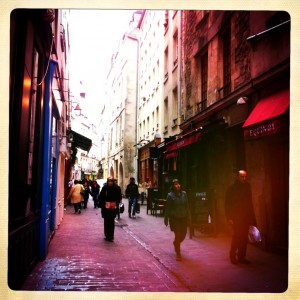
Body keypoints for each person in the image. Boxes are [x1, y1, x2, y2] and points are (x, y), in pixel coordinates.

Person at [225, 170, 256, 264]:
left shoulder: (247, 186)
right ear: (238, 177)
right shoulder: (231, 189)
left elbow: (250, 202)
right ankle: (233, 256)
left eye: (245, 176)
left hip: (245, 215)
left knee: (244, 237)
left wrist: (252, 216)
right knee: (237, 236)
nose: (244, 178)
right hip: (236, 216)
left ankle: (241, 256)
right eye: (242, 176)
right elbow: (227, 204)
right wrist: (229, 217)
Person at [164, 179, 190, 261]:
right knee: (178, 234)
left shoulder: (184, 194)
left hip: (183, 217)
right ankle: (178, 254)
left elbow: (187, 206)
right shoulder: (170, 195)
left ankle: (176, 243)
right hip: (174, 218)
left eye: (178, 184)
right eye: (175, 184)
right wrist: (166, 218)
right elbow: (167, 208)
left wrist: (189, 217)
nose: (177, 185)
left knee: (183, 234)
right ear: (173, 186)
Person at [98, 177, 122, 242]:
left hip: (113, 208)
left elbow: (119, 197)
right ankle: (107, 235)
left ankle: (111, 236)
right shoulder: (104, 188)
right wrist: (103, 204)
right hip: (106, 208)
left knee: (111, 221)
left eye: (111, 181)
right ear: (107, 182)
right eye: (109, 181)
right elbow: (101, 197)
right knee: (106, 221)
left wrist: (116, 203)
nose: (110, 182)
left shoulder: (116, 188)